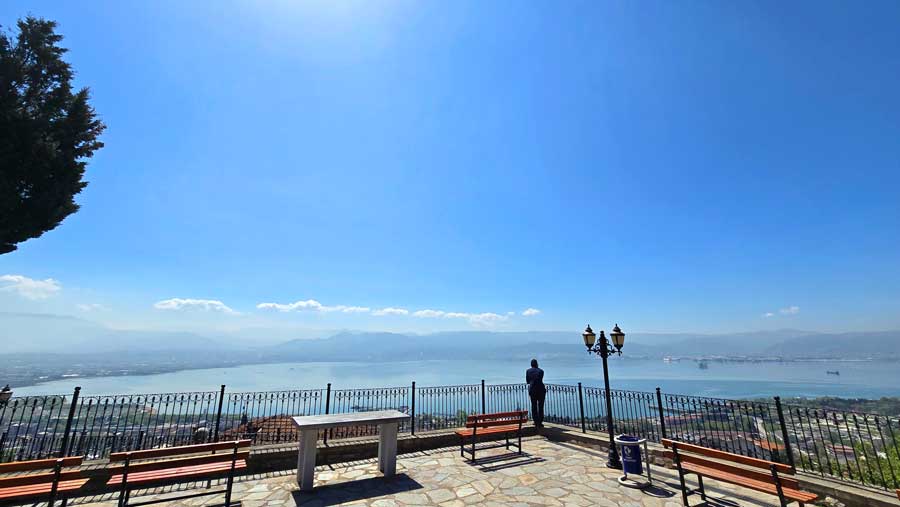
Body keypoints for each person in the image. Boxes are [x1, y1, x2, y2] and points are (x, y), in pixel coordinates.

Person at [526, 359, 546, 428]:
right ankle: (540, 421)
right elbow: (540, 380)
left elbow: (528, 381)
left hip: (532, 390)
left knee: (533, 406)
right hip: (541, 390)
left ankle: (535, 421)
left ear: (531, 364)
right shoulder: (541, 371)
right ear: (537, 364)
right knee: (541, 406)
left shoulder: (528, 371)